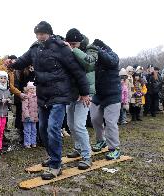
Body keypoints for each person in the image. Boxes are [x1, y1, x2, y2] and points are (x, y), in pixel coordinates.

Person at [6, 21, 90, 180]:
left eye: (43, 33)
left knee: (52, 128)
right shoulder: (35, 49)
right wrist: (12, 64)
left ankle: (56, 166)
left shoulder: (61, 47)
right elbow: (22, 61)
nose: (40, 36)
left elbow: (77, 71)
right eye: (37, 34)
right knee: (43, 128)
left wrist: (85, 92)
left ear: (49, 33)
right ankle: (53, 156)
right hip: (43, 95)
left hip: (59, 94)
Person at [64, 28, 98, 170]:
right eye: (69, 43)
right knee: (71, 124)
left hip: (85, 93)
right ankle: (78, 148)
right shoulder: (68, 49)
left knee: (79, 125)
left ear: (80, 42)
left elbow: (89, 64)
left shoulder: (90, 49)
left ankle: (86, 155)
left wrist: (73, 50)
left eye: (74, 44)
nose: (72, 46)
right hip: (71, 93)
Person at [90, 39, 122, 160]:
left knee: (110, 122)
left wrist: (98, 51)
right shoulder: (93, 59)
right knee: (94, 119)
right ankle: (100, 141)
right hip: (98, 95)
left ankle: (114, 148)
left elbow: (111, 61)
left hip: (112, 95)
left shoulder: (112, 55)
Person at [22, 82, 38, 148]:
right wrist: (26, 115)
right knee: (27, 130)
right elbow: (24, 107)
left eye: (33, 88)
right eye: (30, 88)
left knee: (34, 130)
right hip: (27, 117)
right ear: (28, 89)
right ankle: (27, 143)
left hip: (34, 117)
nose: (32, 89)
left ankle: (33, 142)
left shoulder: (36, 96)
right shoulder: (26, 96)